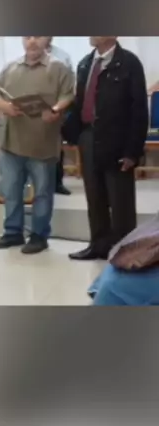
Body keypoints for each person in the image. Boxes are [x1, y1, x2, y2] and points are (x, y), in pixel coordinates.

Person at [65, 37, 149, 261]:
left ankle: (125, 252)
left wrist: (132, 151)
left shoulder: (129, 63)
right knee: (94, 196)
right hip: (88, 137)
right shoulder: (85, 63)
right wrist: (71, 132)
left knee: (121, 202)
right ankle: (98, 245)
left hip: (117, 141)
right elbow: (79, 102)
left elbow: (139, 110)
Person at [0, 36, 75, 254]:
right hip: (12, 142)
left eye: (37, 36)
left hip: (43, 142)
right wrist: (4, 107)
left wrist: (55, 110)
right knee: (11, 191)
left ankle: (39, 235)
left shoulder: (59, 68)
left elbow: (68, 95)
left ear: (47, 39)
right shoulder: (10, 67)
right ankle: (12, 232)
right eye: (28, 37)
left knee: (43, 194)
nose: (32, 41)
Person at [46, 37, 74, 196]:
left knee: (57, 147)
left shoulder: (62, 56)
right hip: (35, 109)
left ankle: (57, 182)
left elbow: (70, 83)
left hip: (58, 107)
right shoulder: (27, 56)